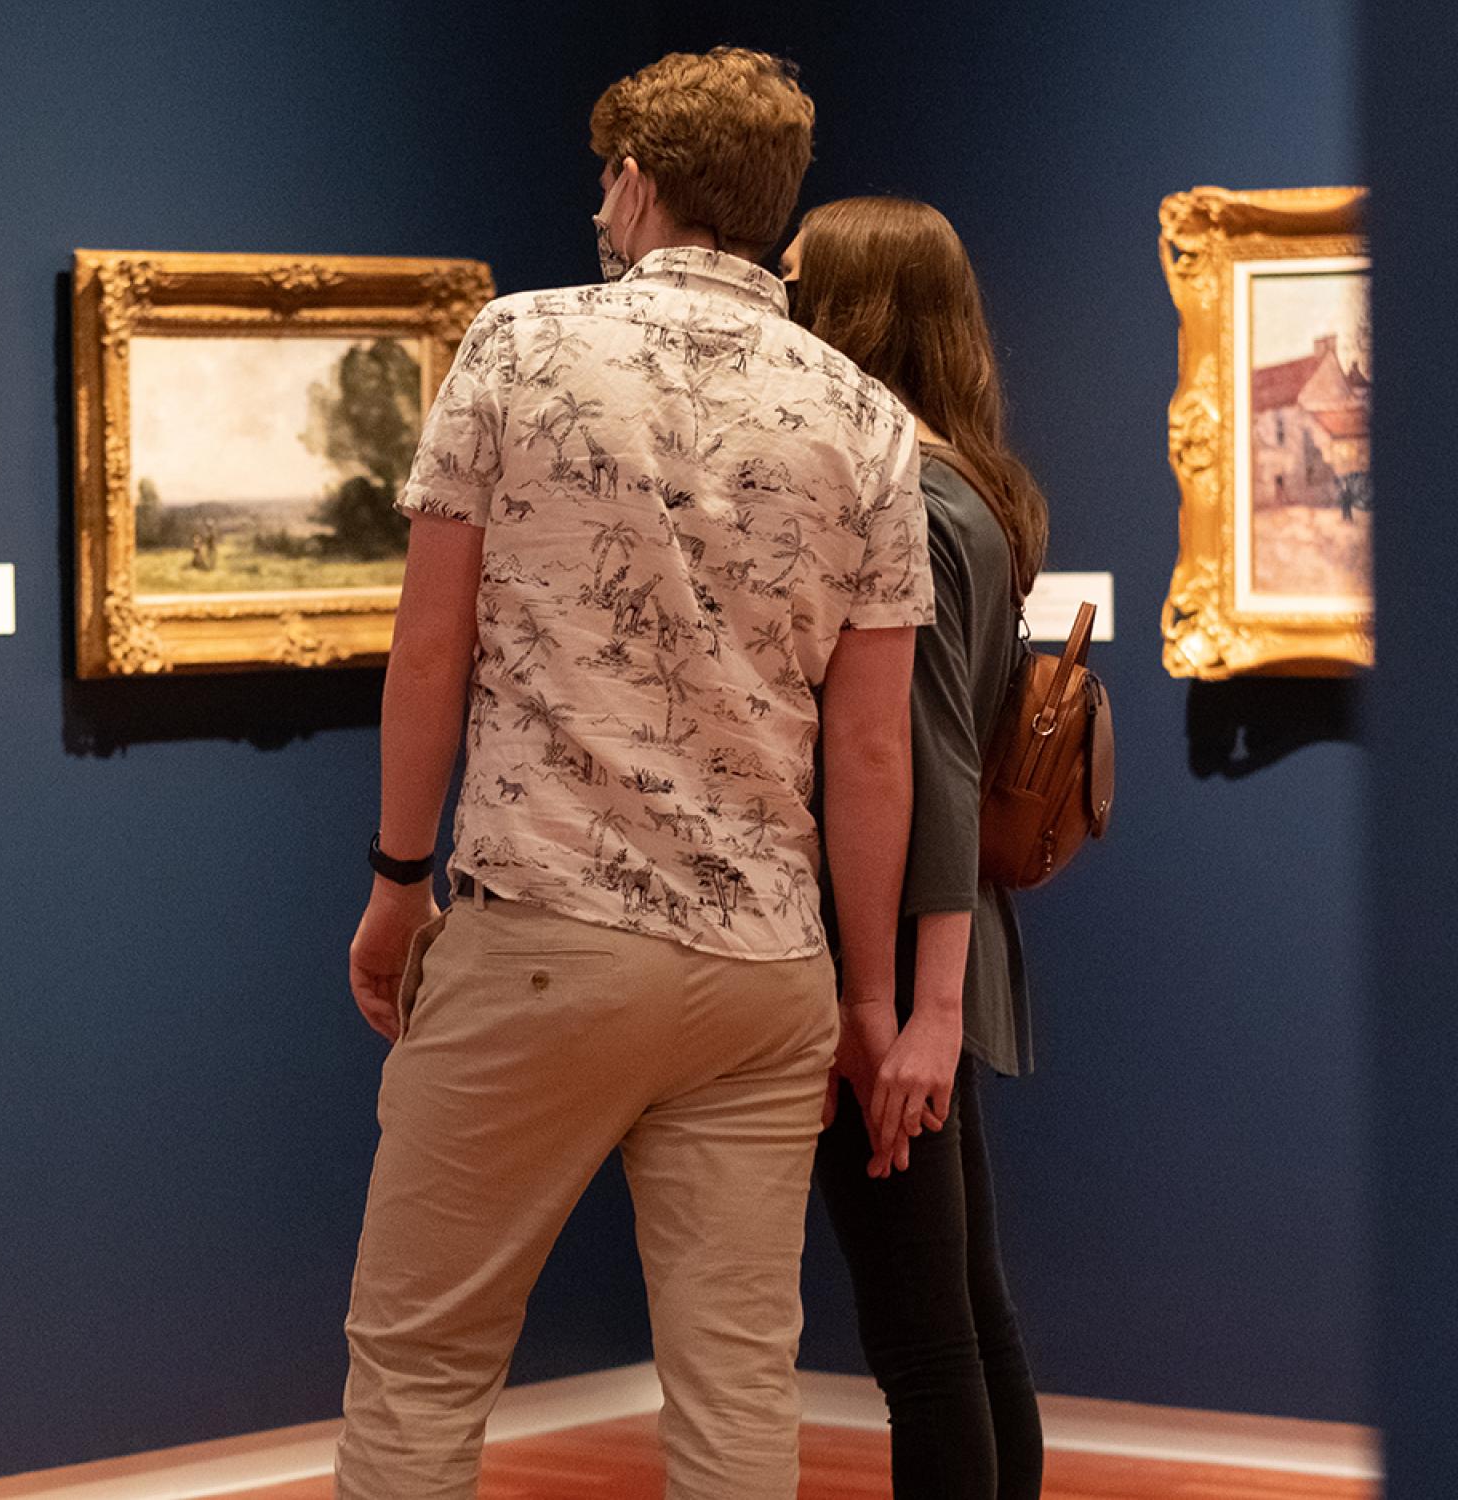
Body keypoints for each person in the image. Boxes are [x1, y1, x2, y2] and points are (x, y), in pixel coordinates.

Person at [337, 49, 935, 1499]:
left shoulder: (521, 347)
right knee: (738, 1391)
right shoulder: (864, 417)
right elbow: (868, 747)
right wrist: (868, 997)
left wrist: (397, 881)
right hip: (762, 972)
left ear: (640, 184)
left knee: (420, 1366)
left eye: (610, 177)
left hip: (542, 928)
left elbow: (429, 653)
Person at [785, 197, 1050, 1500]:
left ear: (848, 312)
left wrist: (915, 1012)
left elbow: (930, 765)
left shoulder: (920, 509)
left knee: (924, 1342)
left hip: (897, 949)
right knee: (963, 1314)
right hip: (933, 944)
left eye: (792, 281)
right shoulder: (969, 486)